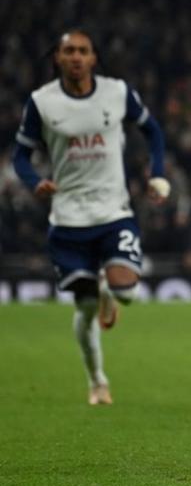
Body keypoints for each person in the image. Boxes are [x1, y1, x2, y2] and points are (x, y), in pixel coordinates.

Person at [12, 29, 170, 405]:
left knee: (127, 293)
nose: (77, 57)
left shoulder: (117, 93)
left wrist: (158, 173)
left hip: (113, 212)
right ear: (58, 58)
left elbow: (153, 131)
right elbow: (20, 155)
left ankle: (109, 292)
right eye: (69, 51)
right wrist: (34, 181)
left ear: (94, 57)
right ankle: (97, 381)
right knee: (84, 308)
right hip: (67, 219)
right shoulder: (42, 102)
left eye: (83, 51)